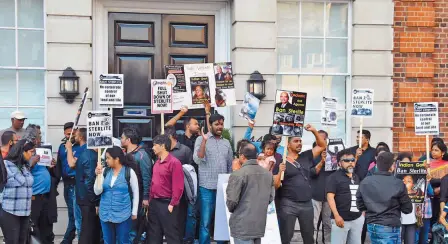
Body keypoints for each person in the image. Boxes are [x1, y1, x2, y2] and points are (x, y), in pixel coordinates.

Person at [272, 124, 327, 244]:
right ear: (288, 144)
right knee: (286, 237)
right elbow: (275, 186)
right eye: (296, 141)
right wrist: (280, 170)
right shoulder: (281, 161)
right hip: (288, 205)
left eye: (300, 141)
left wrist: (313, 130)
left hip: (307, 204)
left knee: (309, 238)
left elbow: (322, 145)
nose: (299, 143)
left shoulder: (306, 156)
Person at [356, 152, 413, 243]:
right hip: (389, 226)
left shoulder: (365, 181)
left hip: (372, 224)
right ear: (392, 166)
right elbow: (407, 209)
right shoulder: (397, 183)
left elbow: (360, 204)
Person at [194, 113, 233, 244]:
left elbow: (229, 166)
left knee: (221, 221)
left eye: (221, 124)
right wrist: (204, 141)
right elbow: (198, 159)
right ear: (210, 125)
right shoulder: (201, 140)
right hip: (206, 187)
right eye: (217, 124)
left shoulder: (227, 143)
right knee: (205, 222)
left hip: (223, 188)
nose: (220, 126)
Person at [226, 143, 274, 244]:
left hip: (242, 225)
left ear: (242, 156)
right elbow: (270, 197)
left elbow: (232, 201)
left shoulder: (238, 174)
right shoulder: (267, 174)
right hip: (258, 224)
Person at [94, 146, 139, 244]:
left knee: (123, 241)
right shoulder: (104, 171)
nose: (106, 161)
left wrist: (134, 212)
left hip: (123, 214)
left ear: (117, 159)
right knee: (108, 241)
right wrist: (98, 175)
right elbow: (97, 191)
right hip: (105, 213)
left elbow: (136, 192)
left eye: (108, 158)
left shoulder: (129, 172)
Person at [148, 134, 185, 244]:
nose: (153, 148)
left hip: (167, 203)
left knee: (171, 234)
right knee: (154, 234)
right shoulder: (156, 163)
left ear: (163, 146)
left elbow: (178, 186)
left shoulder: (174, 163)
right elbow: (153, 183)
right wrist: (150, 201)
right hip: (155, 202)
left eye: (155, 145)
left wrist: (172, 204)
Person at [0, 140, 35, 244]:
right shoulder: (5, 165)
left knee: (22, 241)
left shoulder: (24, 167)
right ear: (21, 152)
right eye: (31, 151)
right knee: (12, 241)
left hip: (25, 212)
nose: (33, 154)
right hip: (10, 211)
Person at [326, 149, 363, 244]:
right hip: (341, 220)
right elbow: (330, 197)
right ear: (339, 163)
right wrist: (336, 216)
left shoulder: (356, 176)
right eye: (346, 160)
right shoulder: (333, 177)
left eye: (352, 160)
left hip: (357, 219)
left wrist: (362, 213)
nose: (350, 163)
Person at [24, 125, 54, 244]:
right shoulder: (26, 151)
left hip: (45, 196)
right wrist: (32, 161)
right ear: (33, 137)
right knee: (34, 229)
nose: (41, 137)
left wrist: (51, 165)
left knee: (46, 227)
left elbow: (44, 170)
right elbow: (22, 170)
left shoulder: (42, 149)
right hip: (34, 198)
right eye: (39, 135)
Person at [56, 122, 81, 244]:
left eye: (71, 133)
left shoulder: (80, 147)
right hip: (67, 185)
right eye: (66, 134)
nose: (68, 136)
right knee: (72, 214)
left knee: (74, 215)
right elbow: (59, 167)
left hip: (76, 184)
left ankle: (66, 240)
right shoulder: (62, 147)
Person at [310, 130, 332, 244]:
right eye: (319, 138)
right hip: (315, 194)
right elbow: (311, 173)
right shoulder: (312, 154)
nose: (321, 140)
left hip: (329, 195)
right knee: (313, 224)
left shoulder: (333, 154)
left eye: (323, 138)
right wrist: (322, 161)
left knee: (328, 224)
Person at [75, 143, 101, 244]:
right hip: (88, 199)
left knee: (88, 229)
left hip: (83, 197)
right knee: (88, 231)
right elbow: (89, 182)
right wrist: (95, 202)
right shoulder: (91, 158)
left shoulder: (85, 154)